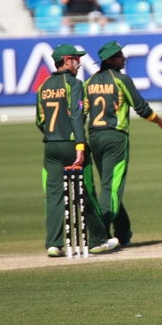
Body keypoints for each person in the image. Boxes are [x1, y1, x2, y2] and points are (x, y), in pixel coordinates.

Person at [35, 44, 118, 257]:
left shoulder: (43, 85)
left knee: (54, 196)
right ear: (66, 60)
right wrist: (80, 146)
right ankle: (99, 240)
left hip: (50, 145)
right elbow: (77, 117)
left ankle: (54, 244)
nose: (79, 63)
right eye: (76, 59)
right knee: (86, 192)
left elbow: (40, 120)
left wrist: (53, 134)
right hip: (72, 144)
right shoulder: (74, 83)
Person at [86, 41, 162, 247]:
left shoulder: (88, 82)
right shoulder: (121, 80)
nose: (123, 58)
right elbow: (141, 107)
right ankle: (100, 235)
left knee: (110, 185)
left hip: (94, 137)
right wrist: (160, 122)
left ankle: (123, 231)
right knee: (111, 187)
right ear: (109, 60)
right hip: (115, 137)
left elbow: (80, 113)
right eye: (119, 56)